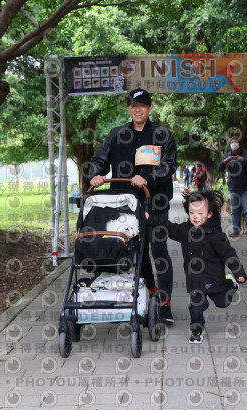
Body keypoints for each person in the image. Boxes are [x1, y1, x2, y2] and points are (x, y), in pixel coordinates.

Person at [89, 88, 178, 323]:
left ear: (150, 108)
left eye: (142, 105)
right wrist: (96, 174)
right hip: (124, 204)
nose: (138, 109)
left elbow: (169, 165)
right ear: (129, 109)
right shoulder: (116, 134)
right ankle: (150, 289)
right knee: (136, 251)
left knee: (158, 250)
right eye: (133, 106)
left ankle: (165, 303)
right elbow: (99, 159)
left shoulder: (162, 134)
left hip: (155, 203)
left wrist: (148, 178)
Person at [146, 191, 247, 343]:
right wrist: (150, 218)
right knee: (195, 306)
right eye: (192, 212)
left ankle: (230, 283)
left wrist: (238, 272)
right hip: (195, 280)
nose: (195, 216)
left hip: (215, 278)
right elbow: (168, 227)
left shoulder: (216, 236)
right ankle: (196, 329)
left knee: (222, 303)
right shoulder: (185, 230)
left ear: (210, 214)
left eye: (200, 213)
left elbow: (229, 254)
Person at [217, 137, 247, 238]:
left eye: (235, 142)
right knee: (235, 210)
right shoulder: (227, 156)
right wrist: (225, 161)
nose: (233, 144)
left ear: (239, 144)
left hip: (246, 188)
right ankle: (236, 231)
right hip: (233, 187)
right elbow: (219, 168)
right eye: (232, 142)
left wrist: (244, 160)